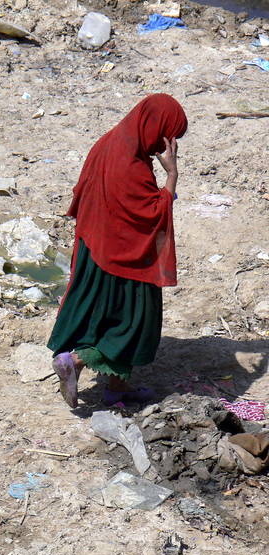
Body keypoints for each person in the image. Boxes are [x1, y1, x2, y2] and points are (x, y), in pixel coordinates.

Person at [47, 93, 188, 408]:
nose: (168, 144)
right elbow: (153, 213)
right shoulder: (132, 167)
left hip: (95, 248)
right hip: (124, 259)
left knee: (105, 318)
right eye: (168, 135)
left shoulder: (111, 142)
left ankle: (117, 389)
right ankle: (75, 361)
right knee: (131, 324)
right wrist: (172, 175)